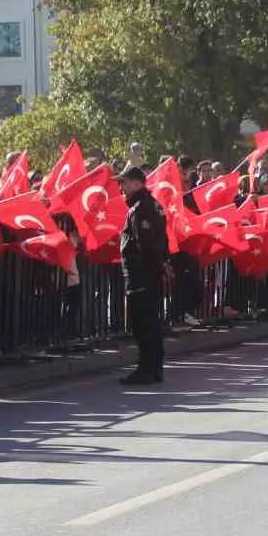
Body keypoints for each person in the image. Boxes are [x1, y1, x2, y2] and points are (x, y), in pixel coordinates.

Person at [117, 164, 169, 385]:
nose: (122, 187)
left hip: (141, 275)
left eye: (125, 182)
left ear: (137, 183)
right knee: (150, 322)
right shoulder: (150, 205)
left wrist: (151, 270)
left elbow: (146, 245)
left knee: (143, 323)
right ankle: (153, 367)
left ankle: (147, 368)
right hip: (147, 273)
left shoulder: (141, 208)